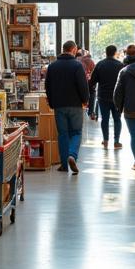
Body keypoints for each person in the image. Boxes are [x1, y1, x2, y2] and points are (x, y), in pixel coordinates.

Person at [44, 40, 89, 174]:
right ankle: (72, 155)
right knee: (76, 132)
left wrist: (52, 103)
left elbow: (48, 87)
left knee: (62, 134)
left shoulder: (52, 66)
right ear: (74, 50)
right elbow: (83, 85)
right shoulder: (77, 65)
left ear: (63, 49)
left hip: (59, 105)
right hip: (75, 105)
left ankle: (64, 164)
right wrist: (85, 100)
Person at [89, 45, 124, 150]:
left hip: (103, 96)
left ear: (106, 52)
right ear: (115, 52)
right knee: (117, 119)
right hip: (116, 97)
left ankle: (105, 140)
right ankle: (116, 141)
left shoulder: (100, 64)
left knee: (104, 119)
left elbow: (92, 81)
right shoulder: (120, 65)